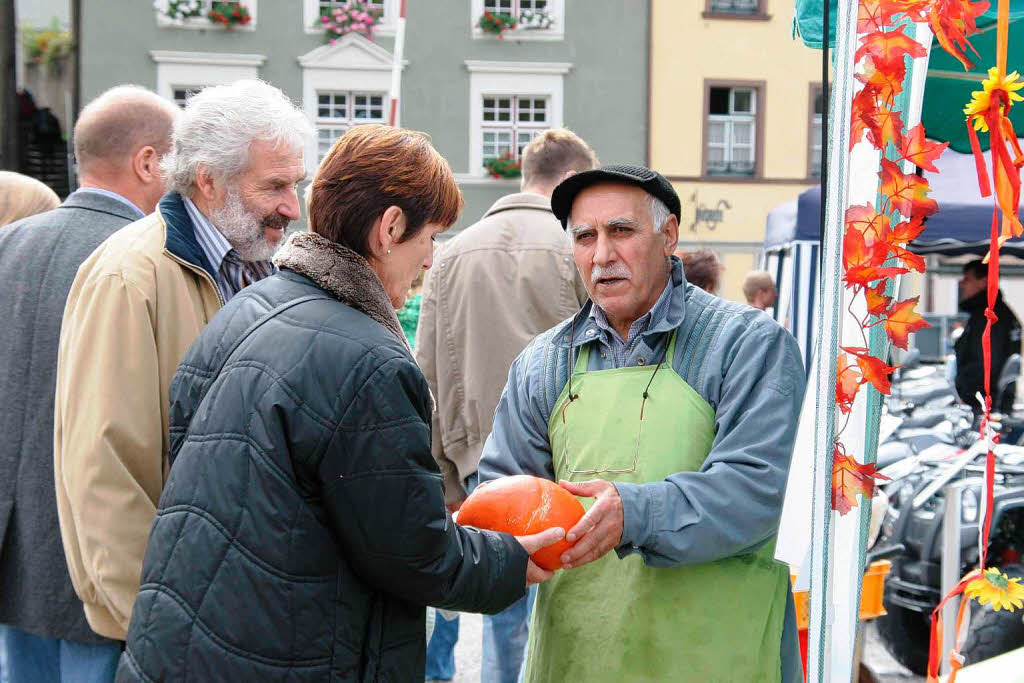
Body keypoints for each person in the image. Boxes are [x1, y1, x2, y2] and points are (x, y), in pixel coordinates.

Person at [116, 124, 563, 682]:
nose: (430, 261)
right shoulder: (370, 359)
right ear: (391, 228)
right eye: (430, 239)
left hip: (192, 640)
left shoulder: (247, 306)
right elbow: (411, 554)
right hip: (287, 653)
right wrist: (511, 559)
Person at [478, 164, 807, 682]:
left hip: (717, 659)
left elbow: (755, 493)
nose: (602, 255)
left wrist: (633, 513)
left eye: (621, 231)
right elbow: (502, 492)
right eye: (585, 237)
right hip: (577, 659)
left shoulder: (746, 345)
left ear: (669, 234)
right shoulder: (542, 363)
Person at [52, 79, 311, 644]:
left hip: (243, 609)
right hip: (170, 623)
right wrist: (155, 619)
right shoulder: (129, 275)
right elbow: (104, 466)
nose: (293, 206)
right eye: (275, 186)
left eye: (296, 184)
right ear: (208, 180)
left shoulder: (266, 267)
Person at [0, 85, 178, 683]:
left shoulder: (7, 244)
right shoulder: (146, 261)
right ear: (149, 162)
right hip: (93, 559)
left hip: (12, 548)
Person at [416, 128, 597, 682]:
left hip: (485, 474)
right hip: (581, 469)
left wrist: (443, 481)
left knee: (504, 620)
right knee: (588, 624)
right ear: (568, 180)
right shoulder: (579, 245)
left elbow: (426, 379)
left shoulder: (448, 257)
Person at [954, 259, 1022, 413]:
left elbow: (985, 362)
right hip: (993, 403)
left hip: (983, 406)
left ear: (983, 282)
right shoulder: (998, 313)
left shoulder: (989, 316)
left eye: (967, 279)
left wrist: (968, 396)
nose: (962, 284)